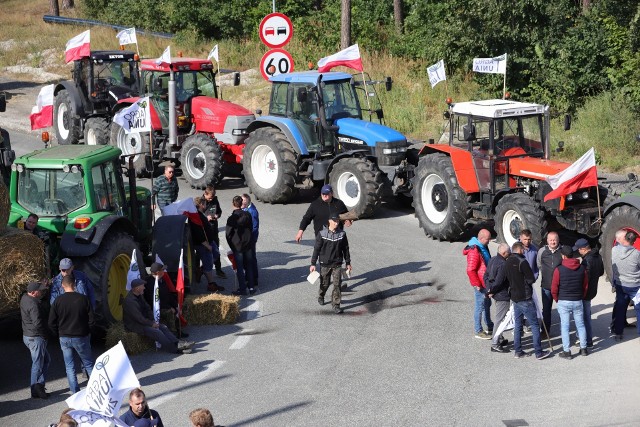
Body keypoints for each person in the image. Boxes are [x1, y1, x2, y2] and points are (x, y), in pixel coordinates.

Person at [48, 275, 95, 394]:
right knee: (88, 364)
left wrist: (58, 333)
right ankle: (96, 389)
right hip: (81, 336)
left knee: (69, 367)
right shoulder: (83, 299)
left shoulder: (58, 301)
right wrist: (87, 331)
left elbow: (51, 322)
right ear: (74, 284)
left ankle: (75, 393)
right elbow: (92, 320)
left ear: (62, 285)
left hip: (64, 337)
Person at [505, 242, 551, 360]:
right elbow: (531, 279)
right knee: (535, 325)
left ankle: (518, 351)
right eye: (523, 249)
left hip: (514, 297)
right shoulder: (522, 261)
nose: (525, 251)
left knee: (518, 324)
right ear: (519, 249)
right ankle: (538, 352)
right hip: (525, 297)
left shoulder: (508, 261)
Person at [122, 278, 194, 354]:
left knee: (163, 327)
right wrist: (151, 324)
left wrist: (152, 320)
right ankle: (175, 349)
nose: (144, 287)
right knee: (157, 332)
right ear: (137, 288)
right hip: (135, 325)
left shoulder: (139, 295)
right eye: (143, 286)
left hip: (143, 321)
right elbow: (138, 318)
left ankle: (178, 343)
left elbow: (148, 308)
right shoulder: (130, 301)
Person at [551, 245, 589, 359]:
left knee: (565, 326)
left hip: (564, 300)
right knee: (580, 325)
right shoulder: (582, 268)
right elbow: (585, 286)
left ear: (563, 256)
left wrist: (557, 299)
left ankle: (567, 351)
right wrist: (581, 296)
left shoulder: (559, 269)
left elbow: (554, 288)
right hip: (577, 300)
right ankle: (583, 349)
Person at [311, 213, 352, 314]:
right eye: (334, 221)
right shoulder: (322, 234)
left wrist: (348, 263)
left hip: (337, 264)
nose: (336, 223)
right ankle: (321, 295)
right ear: (329, 221)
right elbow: (316, 249)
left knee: (337, 285)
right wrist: (313, 264)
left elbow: (345, 249)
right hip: (325, 264)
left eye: (338, 221)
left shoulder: (342, 234)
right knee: (324, 283)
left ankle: (336, 305)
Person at [20, 281, 51, 399]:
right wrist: (45, 335)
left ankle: (39, 386)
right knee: (37, 364)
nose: (41, 291)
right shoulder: (33, 305)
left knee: (46, 360)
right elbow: (38, 323)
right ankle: (35, 390)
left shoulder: (24, 298)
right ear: (33, 293)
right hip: (35, 338)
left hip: (28, 336)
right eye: (39, 290)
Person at [574, 238, 604, 348]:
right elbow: (601, 272)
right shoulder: (598, 256)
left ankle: (587, 340)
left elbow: (584, 277)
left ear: (583, 249)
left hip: (585, 292)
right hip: (592, 290)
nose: (578, 252)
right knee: (586, 315)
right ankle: (586, 339)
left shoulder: (587, 260)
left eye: (578, 250)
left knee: (584, 317)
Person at [463, 228, 493, 339]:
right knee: (480, 306)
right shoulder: (474, 250)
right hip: (480, 284)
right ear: (481, 238)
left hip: (485, 283)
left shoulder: (482, 246)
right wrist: (477, 285)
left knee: (487, 304)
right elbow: (470, 270)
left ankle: (489, 325)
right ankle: (478, 330)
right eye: (487, 239)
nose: (489, 241)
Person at [145, 262, 188, 338]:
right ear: (158, 272)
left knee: (181, 307)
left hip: (166, 305)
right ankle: (173, 336)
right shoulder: (150, 284)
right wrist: (169, 307)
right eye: (163, 270)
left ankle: (179, 330)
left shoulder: (162, 280)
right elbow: (154, 301)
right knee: (169, 312)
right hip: (157, 308)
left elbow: (169, 295)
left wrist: (175, 305)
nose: (164, 271)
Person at [611, 230, 640, 341]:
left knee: (620, 308)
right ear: (634, 241)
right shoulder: (637, 254)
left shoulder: (614, 250)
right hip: (635, 286)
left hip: (620, 285)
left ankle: (618, 333)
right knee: (638, 308)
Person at [226, 195, 256, 296]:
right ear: (241, 203)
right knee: (249, 266)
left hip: (237, 246)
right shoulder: (247, 215)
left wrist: (232, 245)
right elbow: (251, 229)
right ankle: (251, 287)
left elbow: (228, 234)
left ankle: (242, 289)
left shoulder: (232, 218)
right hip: (248, 244)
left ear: (233, 204)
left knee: (239, 268)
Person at [193, 197, 224, 293]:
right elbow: (198, 234)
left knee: (216, 254)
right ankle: (211, 284)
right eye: (205, 204)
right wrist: (207, 245)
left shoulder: (200, 214)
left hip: (210, 241)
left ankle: (201, 270)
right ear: (202, 205)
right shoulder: (196, 217)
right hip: (204, 244)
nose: (206, 205)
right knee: (208, 264)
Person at [485, 243, 511, 352]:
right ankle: (495, 343)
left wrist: (489, 289)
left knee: (500, 317)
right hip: (502, 295)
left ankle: (499, 338)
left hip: (496, 294)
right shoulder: (503, 264)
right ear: (504, 253)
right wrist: (492, 290)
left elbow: (485, 276)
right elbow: (499, 282)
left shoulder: (492, 260)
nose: (510, 254)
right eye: (509, 252)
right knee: (500, 319)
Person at [537, 231, 562, 334]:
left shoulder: (562, 251)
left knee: (562, 311)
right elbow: (539, 264)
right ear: (547, 241)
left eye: (554, 240)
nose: (552, 242)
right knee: (546, 310)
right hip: (546, 286)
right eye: (550, 240)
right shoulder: (542, 251)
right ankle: (545, 331)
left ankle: (564, 332)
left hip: (560, 287)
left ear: (558, 240)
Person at [203, 186, 226, 278]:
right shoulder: (200, 202)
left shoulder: (215, 200)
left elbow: (219, 211)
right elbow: (196, 214)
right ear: (205, 194)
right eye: (210, 197)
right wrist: (206, 218)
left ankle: (218, 269)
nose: (211, 199)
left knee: (216, 249)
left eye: (213, 197)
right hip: (204, 231)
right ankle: (199, 270)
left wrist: (217, 215)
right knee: (202, 251)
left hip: (213, 229)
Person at [242, 193, 260, 288]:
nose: (242, 202)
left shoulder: (252, 211)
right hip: (248, 238)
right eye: (242, 200)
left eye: (244, 200)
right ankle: (250, 277)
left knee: (251, 258)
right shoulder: (246, 209)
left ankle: (254, 278)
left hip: (251, 239)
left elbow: (254, 227)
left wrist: (251, 239)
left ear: (248, 200)